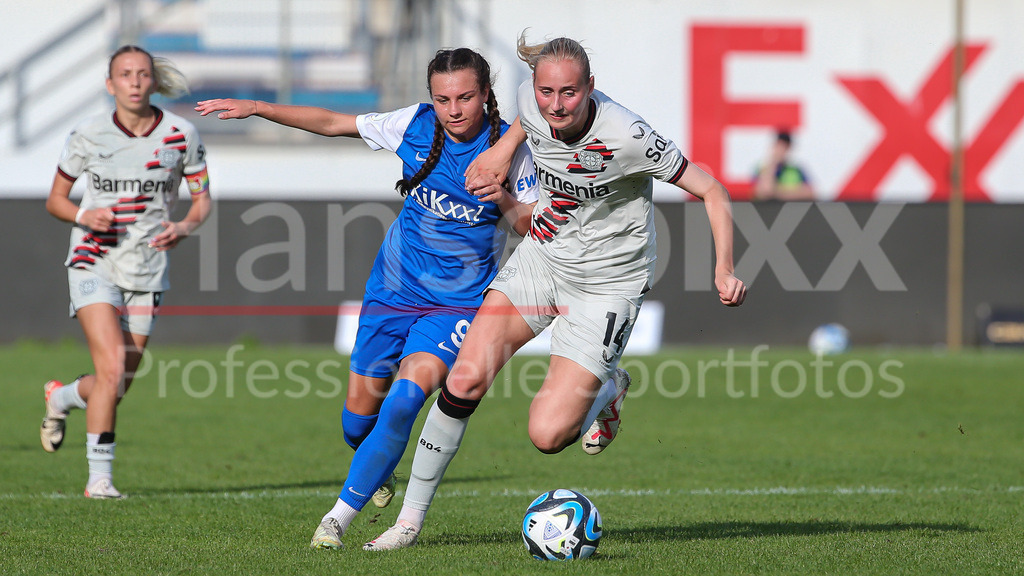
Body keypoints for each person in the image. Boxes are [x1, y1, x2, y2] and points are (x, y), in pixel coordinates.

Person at [366, 32, 748, 550]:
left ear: (591, 87)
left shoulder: (629, 134)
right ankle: (408, 524)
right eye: (546, 92)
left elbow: (711, 189)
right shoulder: (530, 100)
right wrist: (502, 150)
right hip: (542, 260)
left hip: (607, 287)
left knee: (547, 436)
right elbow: (525, 119)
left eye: (569, 93)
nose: (556, 104)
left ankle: (609, 388)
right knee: (464, 380)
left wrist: (724, 268)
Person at [195, 47, 538, 550]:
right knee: (356, 424)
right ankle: (377, 465)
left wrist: (503, 198)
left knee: (405, 398)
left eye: (466, 96)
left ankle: (336, 519)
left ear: (487, 94)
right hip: (391, 293)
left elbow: (530, 225)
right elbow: (333, 121)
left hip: (456, 306)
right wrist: (260, 108)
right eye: (443, 99)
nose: (455, 109)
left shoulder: (510, 153)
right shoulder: (415, 126)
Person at [40, 45, 212, 499]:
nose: (134, 81)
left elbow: (202, 201)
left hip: (148, 267)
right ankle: (100, 480)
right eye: (124, 74)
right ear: (110, 83)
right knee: (112, 367)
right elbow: (55, 200)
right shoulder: (87, 134)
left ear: (153, 82)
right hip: (92, 258)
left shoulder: (182, 135)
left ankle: (60, 398)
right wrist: (82, 216)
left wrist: (184, 227)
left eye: (142, 74)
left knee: (117, 382)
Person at [752, 130, 814, 200]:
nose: (782, 150)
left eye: (785, 147)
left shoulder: (796, 170)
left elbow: (810, 193)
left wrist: (776, 192)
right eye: (779, 146)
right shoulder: (762, 169)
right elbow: (764, 192)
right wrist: (773, 163)